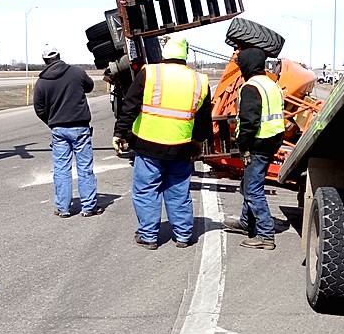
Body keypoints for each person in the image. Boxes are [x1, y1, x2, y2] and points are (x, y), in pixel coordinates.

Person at [113, 36, 211, 249]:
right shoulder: (200, 80)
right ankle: (183, 235)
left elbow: (130, 106)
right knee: (178, 191)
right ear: (185, 55)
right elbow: (203, 120)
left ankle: (148, 236)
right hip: (182, 147)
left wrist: (120, 133)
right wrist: (198, 142)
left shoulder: (150, 73)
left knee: (146, 190)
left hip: (148, 145)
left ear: (165, 53)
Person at [222, 47, 285, 249]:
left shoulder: (250, 87)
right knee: (249, 184)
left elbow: (249, 122)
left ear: (247, 66)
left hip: (257, 144)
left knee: (252, 190)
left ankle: (266, 234)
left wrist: (243, 146)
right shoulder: (271, 84)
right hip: (271, 141)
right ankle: (246, 222)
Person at [32, 44, 102, 218]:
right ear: (59, 56)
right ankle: (88, 207)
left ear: (45, 61)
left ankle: (63, 208)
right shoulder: (76, 72)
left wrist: (51, 121)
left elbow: (39, 108)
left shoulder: (42, 82)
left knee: (61, 169)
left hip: (58, 129)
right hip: (80, 127)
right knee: (85, 167)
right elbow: (90, 86)